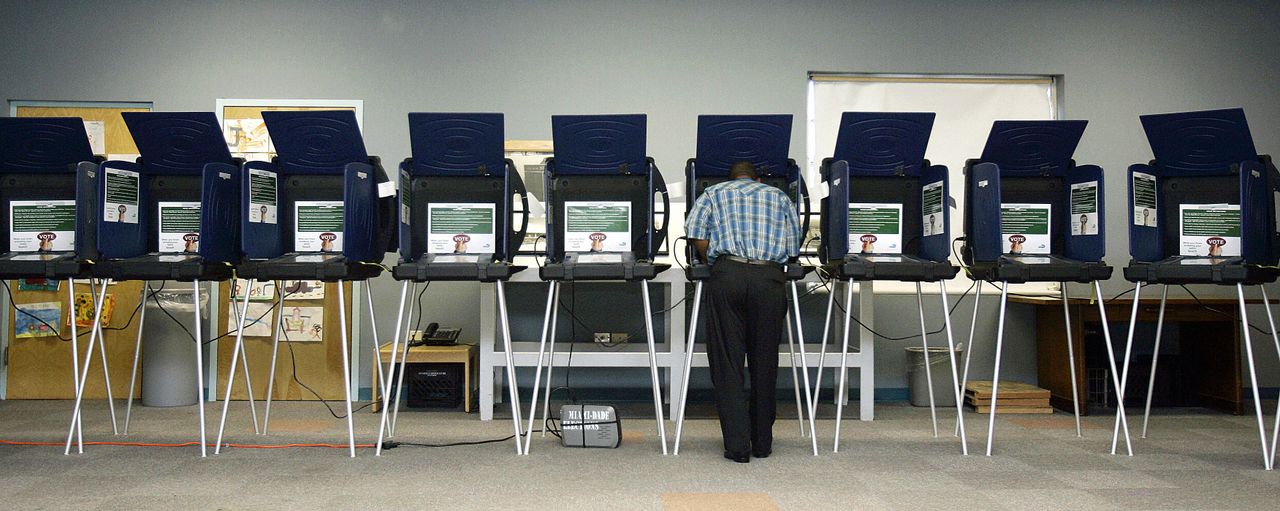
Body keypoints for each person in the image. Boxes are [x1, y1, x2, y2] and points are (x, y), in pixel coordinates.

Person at [685, 160, 800, 463]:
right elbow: (793, 245)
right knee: (765, 362)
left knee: (727, 363)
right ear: (758, 178)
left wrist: (711, 254)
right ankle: (762, 443)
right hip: (769, 278)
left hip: (728, 274)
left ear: (731, 178)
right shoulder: (779, 197)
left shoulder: (712, 193)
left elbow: (695, 232)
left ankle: (737, 447)